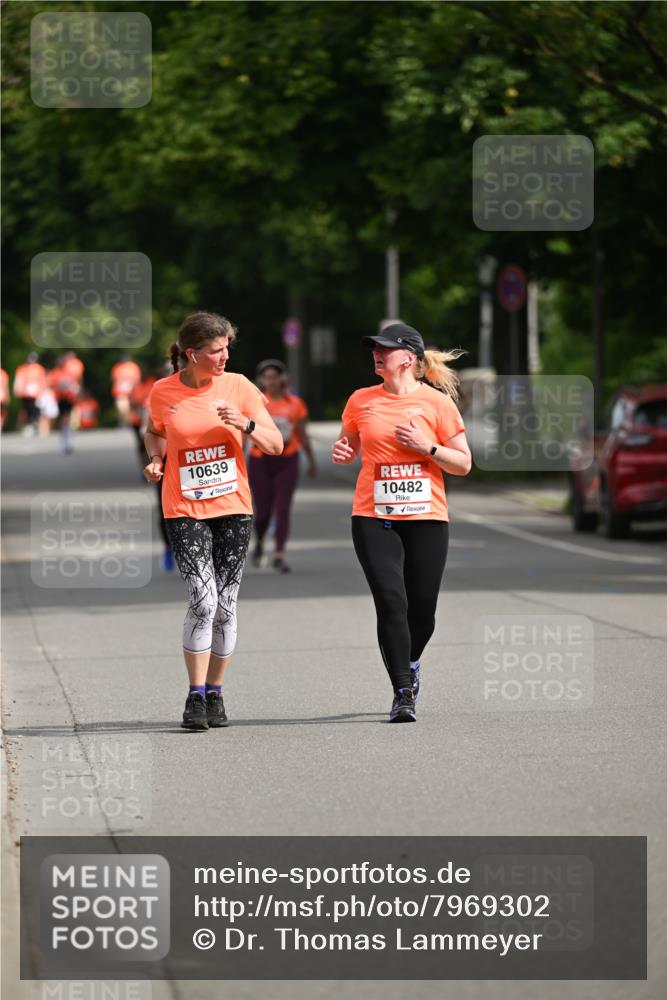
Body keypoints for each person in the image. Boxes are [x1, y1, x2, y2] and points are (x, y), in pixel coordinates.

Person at [143, 312, 283, 731]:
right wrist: (155, 458)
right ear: (192, 353)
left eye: (226, 349)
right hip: (184, 508)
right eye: (216, 351)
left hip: (234, 508)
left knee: (225, 605)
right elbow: (155, 431)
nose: (224, 357)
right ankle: (194, 695)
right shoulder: (163, 391)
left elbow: (276, 444)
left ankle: (216, 692)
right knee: (203, 600)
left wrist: (246, 423)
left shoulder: (239, 386)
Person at [332, 322, 471, 723]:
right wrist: (343, 452)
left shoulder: (437, 404)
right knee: (392, 602)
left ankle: (410, 662)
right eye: (374, 348)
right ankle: (402, 691)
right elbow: (349, 445)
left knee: (422, 613)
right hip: (373, 516)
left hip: (427, 517)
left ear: (409, 357)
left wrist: (426, 447)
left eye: (386, 349)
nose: (377, 353)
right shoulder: (360, 400)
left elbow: (463, 463)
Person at [247, 358, 317, 572]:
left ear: (282, 379)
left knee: (283, 508)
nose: (271, 381)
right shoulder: (254, 403)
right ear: (261, 380)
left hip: (287, 459)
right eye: (266, 377)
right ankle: (259, 542)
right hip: (260, 460)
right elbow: (243, 432)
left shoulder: (294, 404)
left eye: (275, 376)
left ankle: (279, 554)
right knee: (263, 512)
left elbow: (303, 434)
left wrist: (311, 460)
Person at [50, 350, 84, 453]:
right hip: (60, 399)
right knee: (62, 419)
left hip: (69, 398)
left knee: (67, 418)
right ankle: (64, 440)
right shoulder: (55, 373)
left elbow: (75, 384)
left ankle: (68, 439)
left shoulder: (69, 373)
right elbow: (51, 385)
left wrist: (77, 392)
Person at [13, 353, 46, 434]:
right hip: (25, 394)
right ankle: (27, 424)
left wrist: (43, 392)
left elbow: (42, 381)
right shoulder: (22, 368)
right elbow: (18, 380)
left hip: (36, 394)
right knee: (26, 409)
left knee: (35, 409)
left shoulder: (39, 369)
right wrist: (16, 389)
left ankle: (33, 424)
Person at [111, 353, 141, 425]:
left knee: (131, 408)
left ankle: (129, 422)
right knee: (121, 407)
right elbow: (114, 380)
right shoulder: (117, 367)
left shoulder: (134, 367)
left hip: (132, 391)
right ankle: (123, 421)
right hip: (121, 392)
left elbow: (138, 380)